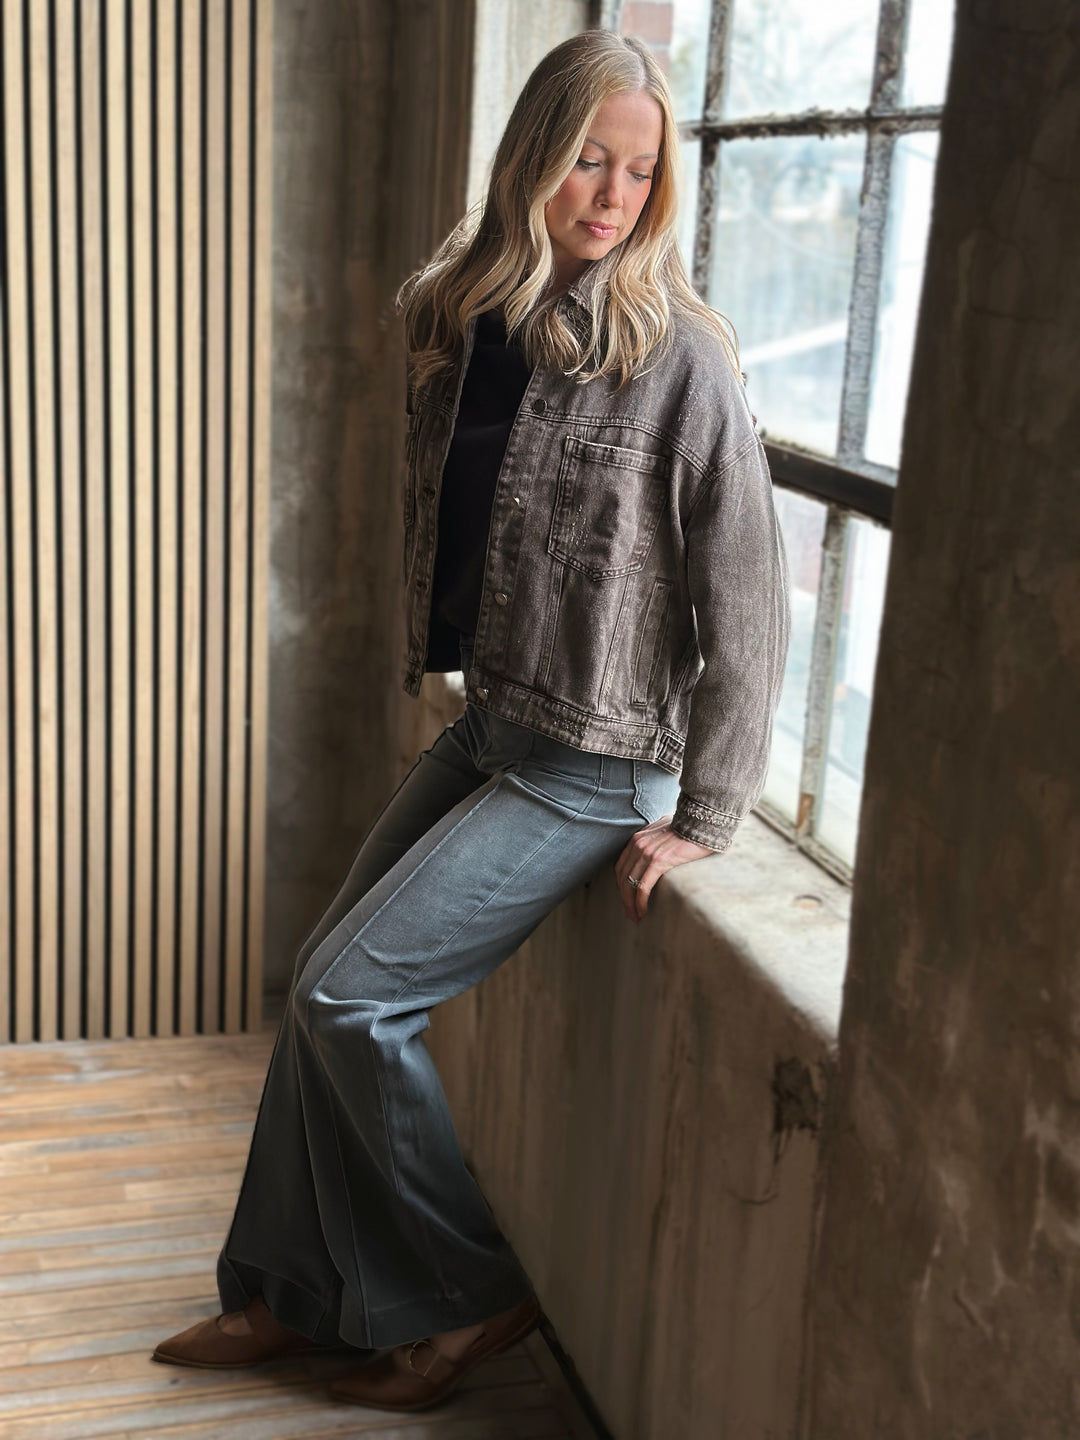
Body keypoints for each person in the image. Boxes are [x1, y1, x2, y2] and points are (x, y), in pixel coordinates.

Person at [151, 28, 789, 1413]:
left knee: (346, 995)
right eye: (587, 164)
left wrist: (709, 818)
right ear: (533, 161)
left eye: (638, 172)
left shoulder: (682, 361)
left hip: (596, 762)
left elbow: (749, 607)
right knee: (322, 978)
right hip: (496, 725)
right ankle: (282, 1294)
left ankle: (469, 1289)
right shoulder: (473, 318)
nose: (612, 196)